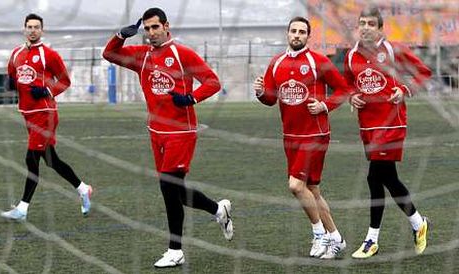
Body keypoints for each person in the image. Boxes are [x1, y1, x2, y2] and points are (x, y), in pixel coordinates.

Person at [103, 7, 233, 268]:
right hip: (156, 133)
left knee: (168, 188)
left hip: (181, 132)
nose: (151, 33)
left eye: (155, 27)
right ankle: (219, 210)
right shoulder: (141, 56)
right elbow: (110, 54)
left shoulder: (181, 53)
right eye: (147, 28)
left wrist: (191, 98)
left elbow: (212, 82)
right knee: (176, 192)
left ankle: (175, 250)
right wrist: (120, 35)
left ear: (166, 26)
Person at [253, 16, 351, 259]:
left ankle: (318, 234)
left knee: (296, 186)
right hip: (290, 136)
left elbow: (343, 89)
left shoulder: (318, 61)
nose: (297, 35)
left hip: (315, 134)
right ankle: (336, 237)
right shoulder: (276, 63)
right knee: (312, 190)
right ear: (287, 34)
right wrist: (260, 93)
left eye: (302, 32)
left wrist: (325, 105)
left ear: (309, 36)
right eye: (293, 31)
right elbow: (270, 99)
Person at [344, 6, 432, 258]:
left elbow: (423, 73)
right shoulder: (352, 56)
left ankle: (372, 239)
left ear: (381, 29)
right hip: (368, 127)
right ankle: (418, 223)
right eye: (362, 23)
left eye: (372, 24)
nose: (366, 28)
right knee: (386, 179)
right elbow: (349, 83)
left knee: (375, 177)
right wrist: (353, 96)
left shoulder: (393, 50)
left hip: (391, 124)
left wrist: (403, 90)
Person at [1, 13, 92, 221]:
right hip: (27, 114)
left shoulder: (49, 55)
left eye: (36, 27)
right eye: (29, 27)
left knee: (31, 159)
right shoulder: (16, 54)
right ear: (24, 29)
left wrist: (47, 91)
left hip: (45, 113)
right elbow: (12, 77)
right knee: (51, 160)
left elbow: (64, 80)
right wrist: (10, 84)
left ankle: (22, 209)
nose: (33, 30)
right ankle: (83, 189)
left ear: (42, 30)